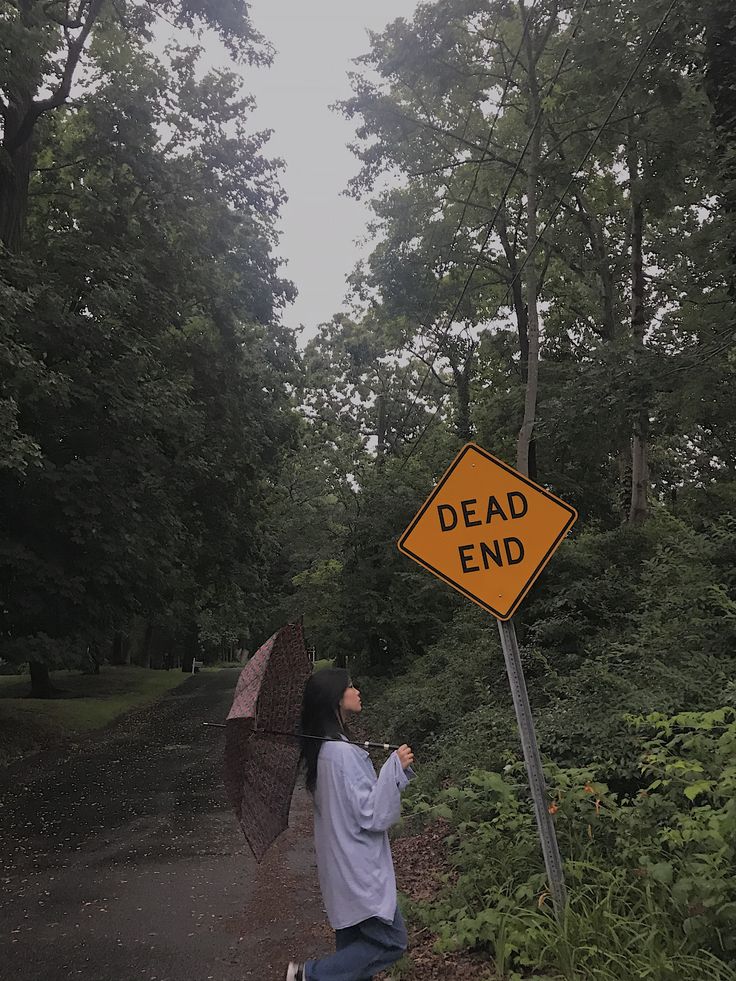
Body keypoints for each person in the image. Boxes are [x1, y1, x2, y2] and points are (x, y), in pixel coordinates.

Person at [286, 668, 414, 981]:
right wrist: (394, 768)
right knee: (393, 941)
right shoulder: (341, 754)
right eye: (350, 686)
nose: (357, 691)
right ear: (336, 699)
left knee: (354, 951)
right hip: (358, 870)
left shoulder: (326, 751)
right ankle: (309, 975)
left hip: (340, 867)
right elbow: (371, 813)